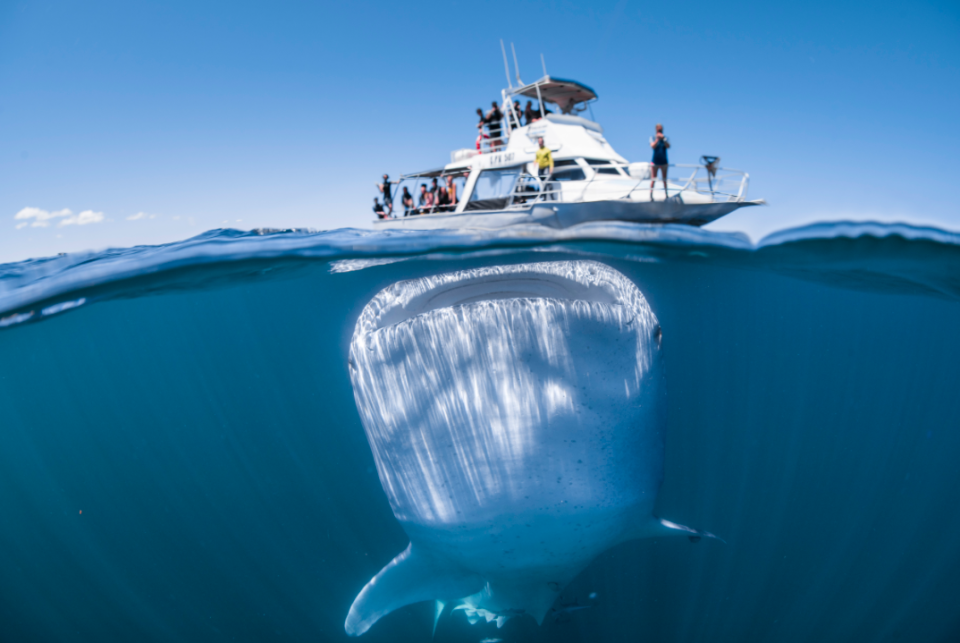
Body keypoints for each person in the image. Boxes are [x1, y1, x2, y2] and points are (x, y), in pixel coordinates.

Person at [649, 123, 670, 200]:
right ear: (656, 130)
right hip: (655, 162)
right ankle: (651, 195)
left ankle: (666, 194)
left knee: (664, 179)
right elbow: (653, 146)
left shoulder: (665, 138)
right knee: (653, 179)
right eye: (658, 130)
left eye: (661, 130)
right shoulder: (653, 138)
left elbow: (668, 146)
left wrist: (663, 138)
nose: (660, 131)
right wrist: (657, 139)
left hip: (664, 162)